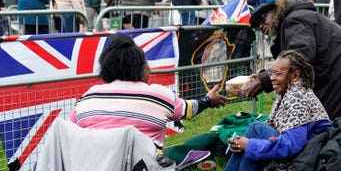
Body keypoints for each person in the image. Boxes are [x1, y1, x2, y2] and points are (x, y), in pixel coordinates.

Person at [207, 50, 332, 171]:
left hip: (306, 163)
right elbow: (275, 130)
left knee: (255, 136)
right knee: (254, 139)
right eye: (271, 72)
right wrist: (247, 144)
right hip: (306, 156)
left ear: (294, 75)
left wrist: (248, 144)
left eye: (278, 74)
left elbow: (291, 147)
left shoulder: (297, 98)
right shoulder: (289, 92)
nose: (272, 78)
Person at [69, 33, 227, 149]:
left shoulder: (86, 98)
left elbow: (71, 133)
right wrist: (208, 100)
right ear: (138, 67)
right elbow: (189, 109)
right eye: (146, 63)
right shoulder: (158, 95)